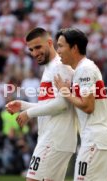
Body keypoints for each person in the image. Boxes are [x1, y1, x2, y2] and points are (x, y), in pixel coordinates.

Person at [5, 27, 78, 181]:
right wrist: (23, 106)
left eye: (38, 47)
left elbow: (62, 104)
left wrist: (28, 114)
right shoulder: (49, 68)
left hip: (55, 138)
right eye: (31, 49)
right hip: (55, 137)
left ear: (50, 43)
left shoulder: (59, 66)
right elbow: (51, 106)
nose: (34, 53)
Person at [54, 28, 107, 181]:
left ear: (75, 48)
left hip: (95, 139)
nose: (58, 51)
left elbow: (88, 106)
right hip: (104, 139)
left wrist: (65, 92)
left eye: (61, 46)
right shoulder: (84, 69)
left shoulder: (84, 70)